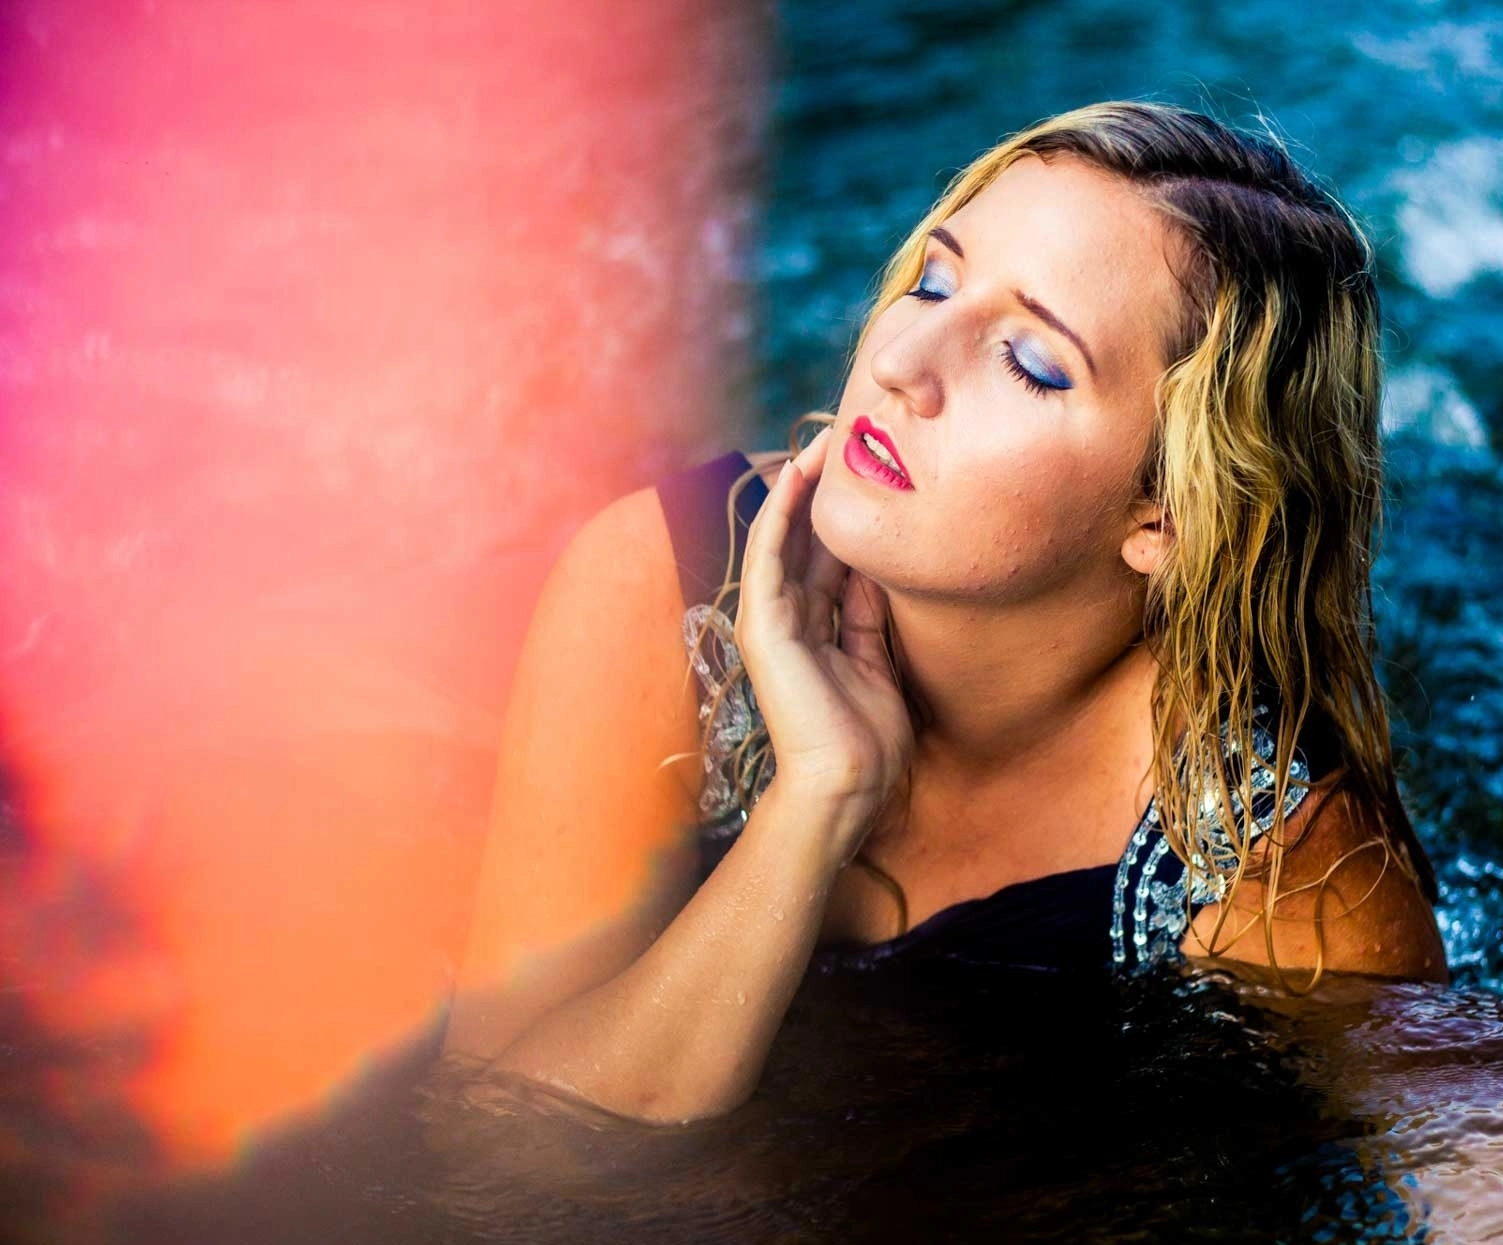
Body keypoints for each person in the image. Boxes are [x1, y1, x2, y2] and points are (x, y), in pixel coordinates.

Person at [440, 99, 1450, 1127]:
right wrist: (816, 801)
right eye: (934, 281)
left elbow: (1481, 1171)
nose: (900, 362)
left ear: (1167, 514)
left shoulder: (1282, 880)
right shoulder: (664, 579)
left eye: (1030, 362)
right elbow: (499, 1143)